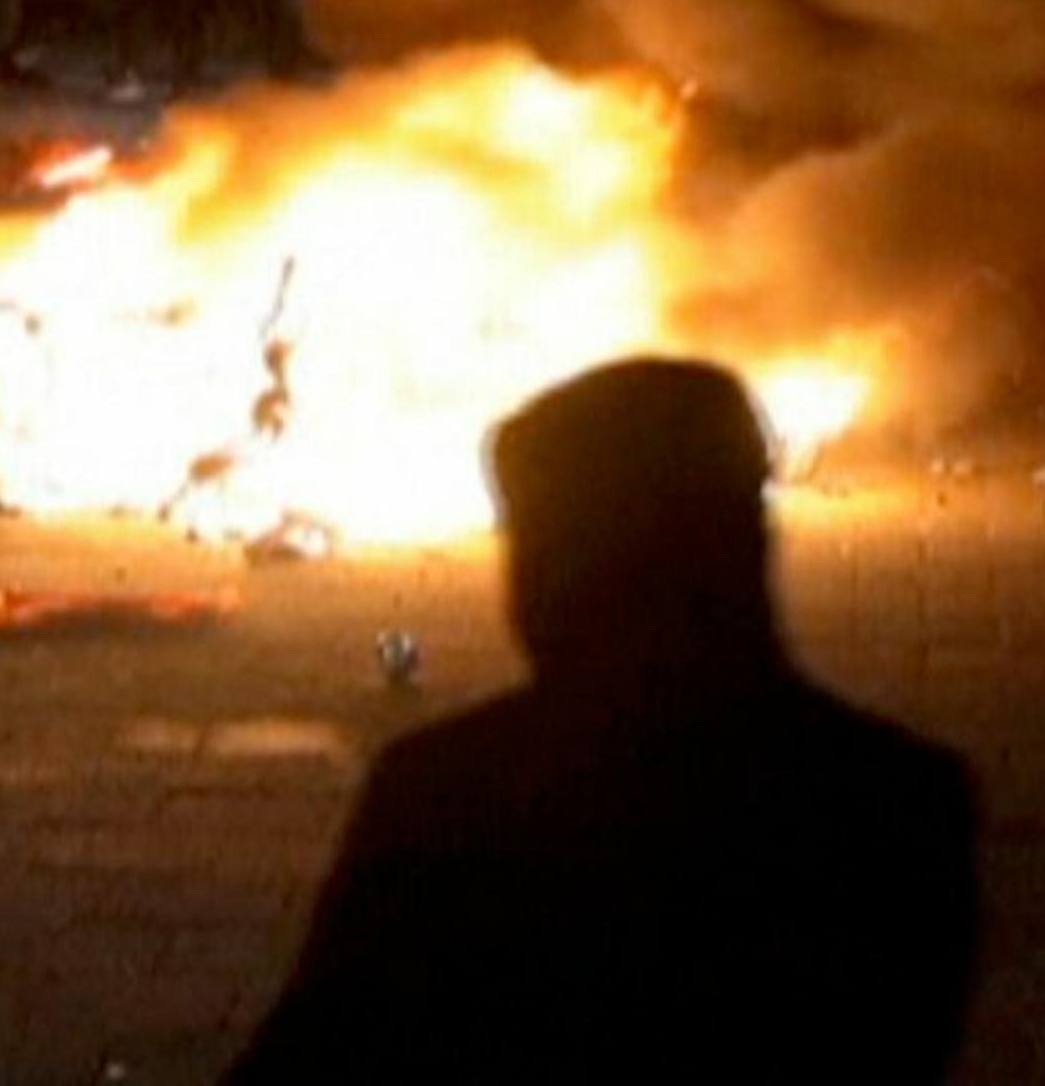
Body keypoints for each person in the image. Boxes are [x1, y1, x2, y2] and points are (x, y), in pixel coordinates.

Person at [227, 359, 981, 1084]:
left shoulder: (452, 799)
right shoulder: (903, 803)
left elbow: (315, 1056)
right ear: (748, 544)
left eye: (533, 542)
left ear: (577, 563)